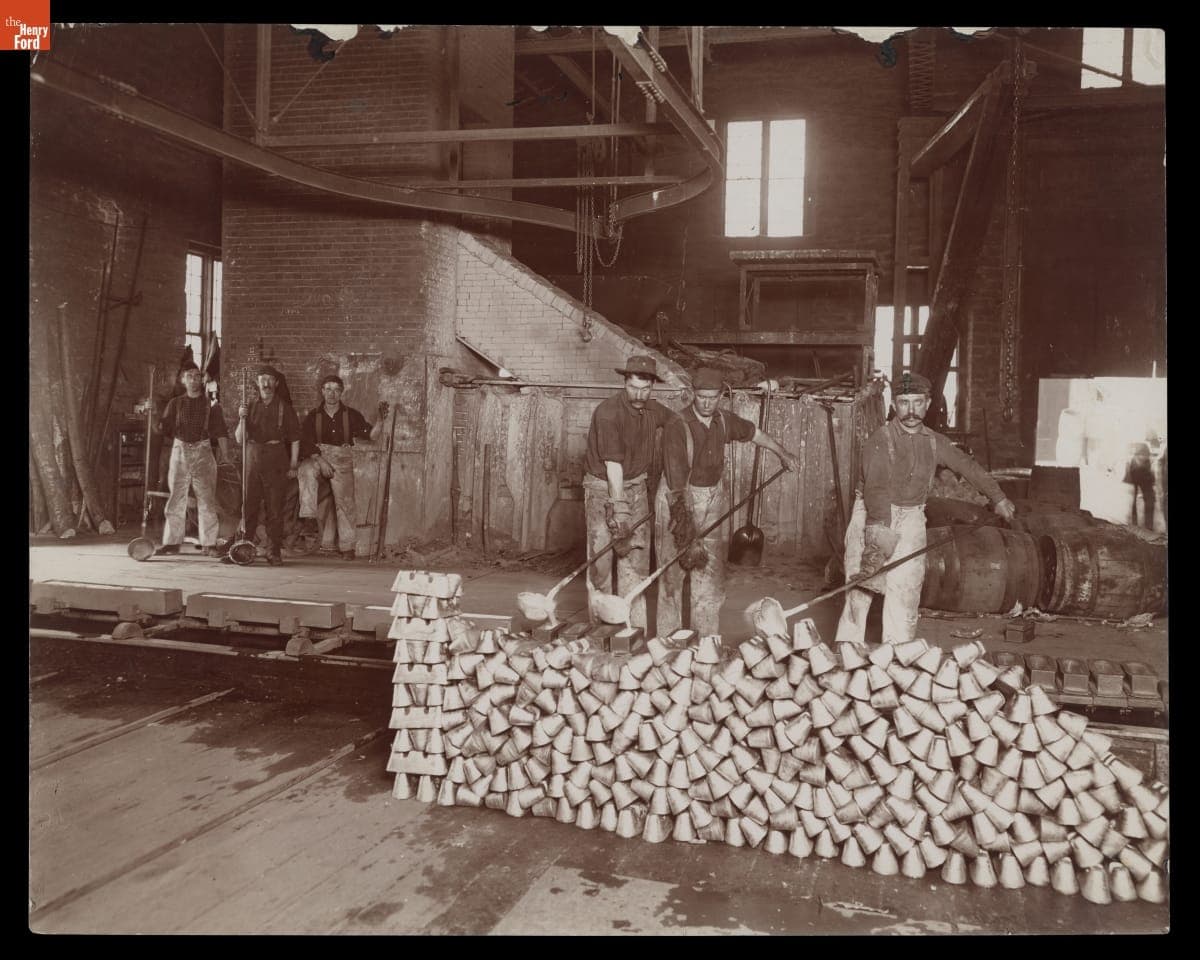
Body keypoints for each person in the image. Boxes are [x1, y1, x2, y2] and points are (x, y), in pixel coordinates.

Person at [835, 371, 1016, 646]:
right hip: (872, 514)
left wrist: (998, 497)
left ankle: (897, 654)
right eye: (904, 402)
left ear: (928, 403)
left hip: (911, 516)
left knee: (906, 588)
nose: (911, 411)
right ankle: (845, 651)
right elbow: (876, 493)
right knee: (860, 589)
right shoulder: (880, 440)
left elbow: (968, 467)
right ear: (894, 405)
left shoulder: (935, 442)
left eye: (917, 402)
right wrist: (877, 546)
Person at [655, 369, 799, 638]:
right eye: (701, 397)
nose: (707, 403)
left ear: (720, 396)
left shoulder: (723, 420)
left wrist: (783, 453)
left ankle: (706, 640)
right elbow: (676, 490)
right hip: (678, 499)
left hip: (711, 497)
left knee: (709, 574)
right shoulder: (678, 426)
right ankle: (667, 642)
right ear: (692, 395)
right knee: (672, 575)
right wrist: (688, 538)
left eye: (712, 397)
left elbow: (754, 433)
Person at [583, 355, 679, 631]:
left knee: (635, 564)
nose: (639, 395)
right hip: (604, 490)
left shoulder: (653, 410)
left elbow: (679, 424)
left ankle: (632, 630)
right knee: (601, 562)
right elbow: (613, 466)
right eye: (634, 387)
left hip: (637, 487)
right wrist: (619, 509)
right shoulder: (608, 413)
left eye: (645, 389)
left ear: (652, 387)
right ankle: (599, 629)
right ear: (625, 382)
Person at [296, 375, 389, 560]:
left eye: (336, 389)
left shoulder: (351, 415)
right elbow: (305, 442)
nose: (331, 393)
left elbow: (371, 435)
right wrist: (321, 461)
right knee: (305, 470)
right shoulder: (313, 416)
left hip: (342, 459)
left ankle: (348, 546)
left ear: (341, 392)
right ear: (322, 391)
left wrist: (380, 420)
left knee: (345, 503)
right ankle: (309, 519)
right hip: (318, 456)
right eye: (328, 389)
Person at [154, 361, 231, 557]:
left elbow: (221, 432)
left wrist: (226, 455)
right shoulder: (175, 403)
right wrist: (152, 414)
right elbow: (162, 428)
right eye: (190, 376)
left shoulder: (211, 405)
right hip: (180, 452)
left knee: (206, 499)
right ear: (183, 380)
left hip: (203, 452)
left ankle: (210, 543)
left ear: (202, 379)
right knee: (176, 498)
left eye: (197, 376)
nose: (194, 380)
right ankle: (172, 542)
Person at [235, 365, 301, 566]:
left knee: (275, 508)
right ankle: (243, 548)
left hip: (276, 458)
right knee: (249, 506)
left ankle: (273, 552)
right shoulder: (249, 406)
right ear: (257, 383)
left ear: (276, 383)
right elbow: (239, 439)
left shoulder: (285, 408)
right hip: (253, 457)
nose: (266, 383)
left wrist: (293, 464)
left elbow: (295, 439)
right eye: (262, 379)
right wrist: (241, 418)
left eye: (270, 379)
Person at [1124, 441, 1156, 529]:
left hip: (1138, 474)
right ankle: (1145, 525)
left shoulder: (1139, 453)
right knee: (1145, 498)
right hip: (1138, 473)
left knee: (1138, 499)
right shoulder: (1143, 450)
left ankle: (1141, 524)